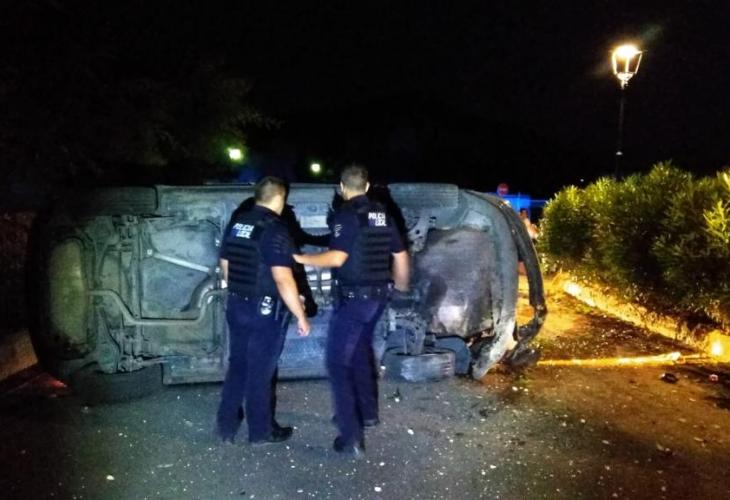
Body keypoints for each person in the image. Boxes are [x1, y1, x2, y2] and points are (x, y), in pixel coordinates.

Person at [294, 165, 410, 456]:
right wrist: (401, 289)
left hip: (355, 300)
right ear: (367, 186)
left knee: (337, 363)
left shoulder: (346, 214)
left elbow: (336, 258)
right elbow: (400, 255)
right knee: (359, 353)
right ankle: (367, 414)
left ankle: (350, 437)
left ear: (342, 187)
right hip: (378, 297)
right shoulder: (382, 213)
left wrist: (300, 258)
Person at [216, 176, 311, 446]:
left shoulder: (239, 222)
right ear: (280, 198)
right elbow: (283, 278)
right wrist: (301, 315)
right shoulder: (275, 229)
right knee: (260, 372)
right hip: (264, 311)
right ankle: (261, 432)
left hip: (237, 303)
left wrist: (240, 289)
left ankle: (226, 427)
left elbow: (225, 264)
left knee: (238, 366)